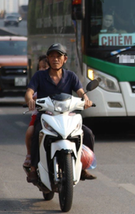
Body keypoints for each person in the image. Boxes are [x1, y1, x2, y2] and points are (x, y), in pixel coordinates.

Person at [25, 43, 96, 183]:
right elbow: (29, 91)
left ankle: (83, 168)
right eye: (52, 56)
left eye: (59, 56)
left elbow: (81, 91)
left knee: (87, 134)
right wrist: (29, 100)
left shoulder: (71, 76)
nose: (55, 59)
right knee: (36, 133)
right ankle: (33, 168)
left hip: (67, 115)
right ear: (48, 58)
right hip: (46, 116)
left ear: (65, 59)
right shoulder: (40, 75)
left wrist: (86, 99)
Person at [23, 55, 49, 168]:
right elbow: (30, 94)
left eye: (46, 67)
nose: (43, 70)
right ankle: (30, 156)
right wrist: (31, 101)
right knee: (31, 132)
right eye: (41, 68)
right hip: (40, 114)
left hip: (58, 114)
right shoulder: (37, 80)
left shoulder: (65, 77)